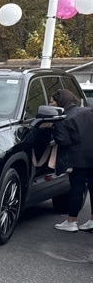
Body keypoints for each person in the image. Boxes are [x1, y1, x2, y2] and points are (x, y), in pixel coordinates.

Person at [50, 88, 93, 231]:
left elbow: (63, 141)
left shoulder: (63, 119)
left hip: (78, 159)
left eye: (52, 102)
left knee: (77, 189)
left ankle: (71, 221)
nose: (50, 104)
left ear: (59, 102)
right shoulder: (88, 111)